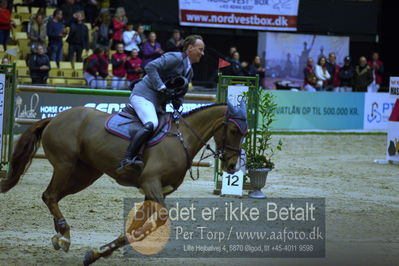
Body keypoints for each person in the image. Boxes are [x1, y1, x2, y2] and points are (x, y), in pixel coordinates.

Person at [116, 34, 205, 174]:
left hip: (158, 104)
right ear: (190, 48)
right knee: (152, 123)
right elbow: (150, 67)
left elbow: (179, 94)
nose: (202, 53)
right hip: (143, 95)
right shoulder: (175, 57)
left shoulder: (190, 71)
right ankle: (127, 158)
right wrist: (161, 87)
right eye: (200, 49)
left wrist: (177, 103)